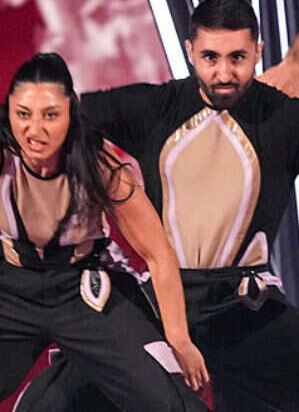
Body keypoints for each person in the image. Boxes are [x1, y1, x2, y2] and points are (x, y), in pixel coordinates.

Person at [17, 0, 299, 411]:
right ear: (190, 52)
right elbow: (53, 116)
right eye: (210, 57)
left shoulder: (285, 117)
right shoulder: (155, 107)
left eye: (237, 57)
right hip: (163, 303)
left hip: (246, 307)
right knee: (48, 405)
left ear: (258, 51)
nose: (224, 73)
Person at [0, 53, 208, 411]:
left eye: (50, 115)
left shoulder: (98, 164)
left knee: (168, 403)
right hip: (12, 287)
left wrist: (179, 338)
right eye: (24, 114)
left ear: (70, 112)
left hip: (83, 290)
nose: (35, 130)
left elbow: (158, 253)